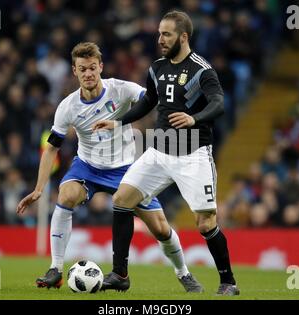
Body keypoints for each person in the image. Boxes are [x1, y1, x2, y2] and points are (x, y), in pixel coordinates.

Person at [16, 42, 202, 293]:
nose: (89, 73)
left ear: (100, 67)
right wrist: (39, 188)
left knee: (159, 227)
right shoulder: (68, 107)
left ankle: (184, 273)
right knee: (66, 194)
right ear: (75, 71)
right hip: (88, 168)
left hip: (126, 169)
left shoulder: (121, 90)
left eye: (93, 67)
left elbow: (151, 98)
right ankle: (56, 270)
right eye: (83, 69)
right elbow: (51, 148)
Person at [93, 11, 239, 296]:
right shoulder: (157, 67)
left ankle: (228, 282)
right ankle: (120, 274)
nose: (160, 39)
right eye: (159, 33)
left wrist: (194, 119)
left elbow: (219, 103)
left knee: (206, 222)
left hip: (193, 154)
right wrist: (118, 120)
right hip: (159, 150)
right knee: (122, 199)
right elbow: (149, 100)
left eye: (167, 34)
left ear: (183, 37)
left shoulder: (201, 69)